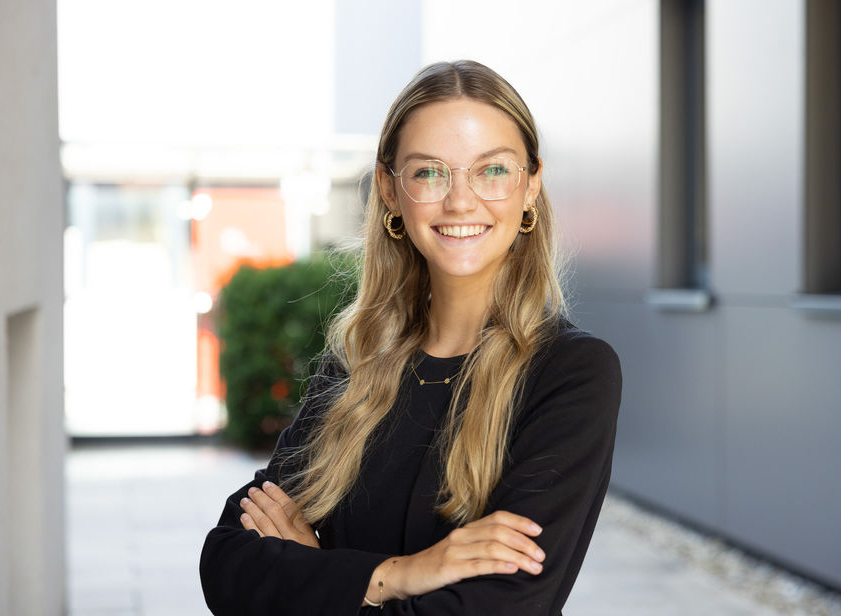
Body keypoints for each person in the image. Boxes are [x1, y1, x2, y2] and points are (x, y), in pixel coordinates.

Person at [200, 60, 622, 615]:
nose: (461, 201)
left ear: (531, 185)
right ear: (390, 189)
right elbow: (227, 562)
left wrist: (319, 579)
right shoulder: (356, 364)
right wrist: (399, 576)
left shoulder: (571, 373)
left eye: (492, 170)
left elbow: (498, 608)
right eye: (429, 172)